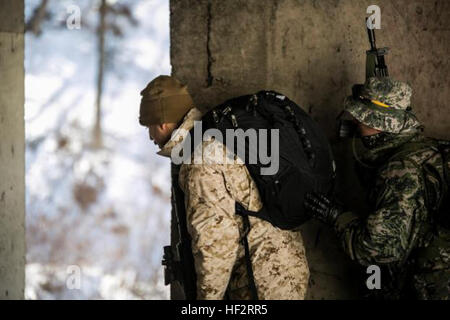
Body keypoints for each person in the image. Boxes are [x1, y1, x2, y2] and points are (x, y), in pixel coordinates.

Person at [139, 75, 310, 300]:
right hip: (281, 270)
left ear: (162, 123)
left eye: (148, 125)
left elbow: (216, 245)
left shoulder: (199, 162)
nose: (150, 135)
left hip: (262, 282)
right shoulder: (218, 135)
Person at [305, 76, 450, 299]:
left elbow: (376, 250)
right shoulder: (424, 149)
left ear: (377, 124)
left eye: (361, 120)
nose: (355, 125)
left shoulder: (400, 169)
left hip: (433, 283)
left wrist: (336, 216)